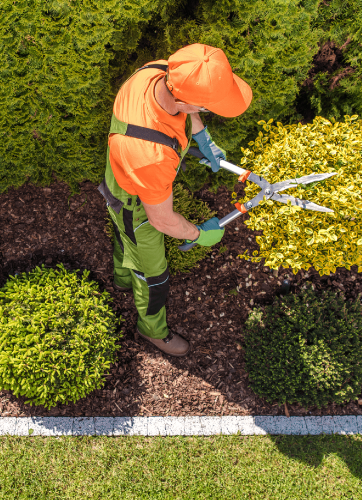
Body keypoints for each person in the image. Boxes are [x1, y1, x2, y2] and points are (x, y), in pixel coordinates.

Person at [97, 43, 252, 357]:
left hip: (121, 175)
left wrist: (203, 138)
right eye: (205, 107)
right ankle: (152, 330)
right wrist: (199, 233)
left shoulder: (156, 72)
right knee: (153, 275)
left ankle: (121, 278)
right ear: (184, 99)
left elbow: (185, 106)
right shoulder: (151, 157)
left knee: (123, 237)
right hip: (135, 204)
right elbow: (162, 221)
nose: (203, 113)